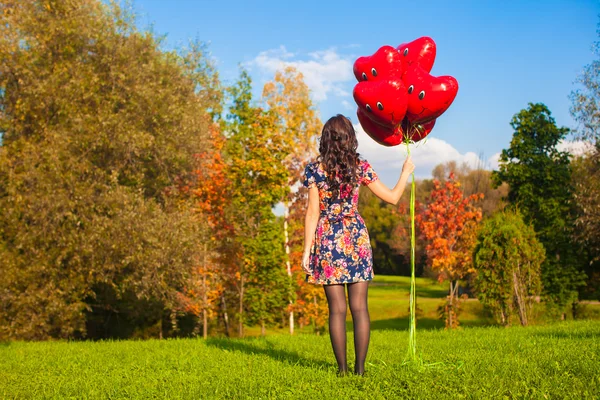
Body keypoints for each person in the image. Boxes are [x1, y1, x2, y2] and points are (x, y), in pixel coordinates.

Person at [301, 114, 415, 376]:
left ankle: (341, 371)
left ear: (326, 139)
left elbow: (311, 213)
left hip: (328, 238)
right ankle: (360, 371)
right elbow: (394, 198)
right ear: (350, 138)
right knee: (360, 308)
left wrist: (306, 250)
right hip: (355, 238)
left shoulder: (315, 170)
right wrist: (405, 173)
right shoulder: (360, 167)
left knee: (337, 310)